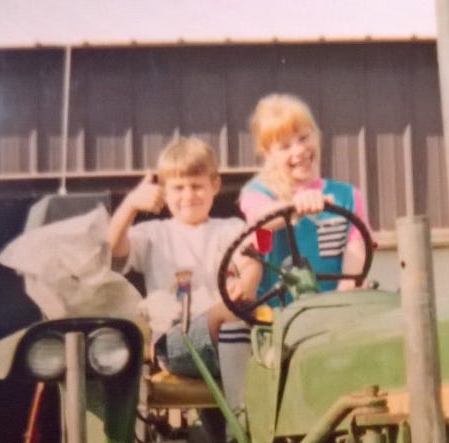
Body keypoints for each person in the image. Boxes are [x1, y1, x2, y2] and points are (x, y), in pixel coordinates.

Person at [106, 137, 256, 379]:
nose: (188, 195)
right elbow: (112, 249)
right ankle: (239, 411)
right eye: (178, 187)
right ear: (164, 192)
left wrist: (246, 282)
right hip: (175, 340)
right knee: (228, 316)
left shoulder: (230, 228)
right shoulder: (154, 233)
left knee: (248, 318)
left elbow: (250, 259)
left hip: (223, 339)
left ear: (214, 186)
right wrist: (131, 205)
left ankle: (234, 413)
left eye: (197, 186)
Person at [237, 93, 369, 300]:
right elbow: (260, 219)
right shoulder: (258, 193)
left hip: (336, 308)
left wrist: (347, 290)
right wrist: (294, 207)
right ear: (267, 154)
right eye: (285, 146)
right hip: (279, 314)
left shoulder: (347, 196)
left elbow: (357, 247)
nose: (299, 150)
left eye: (304, 137)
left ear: (316, 134)